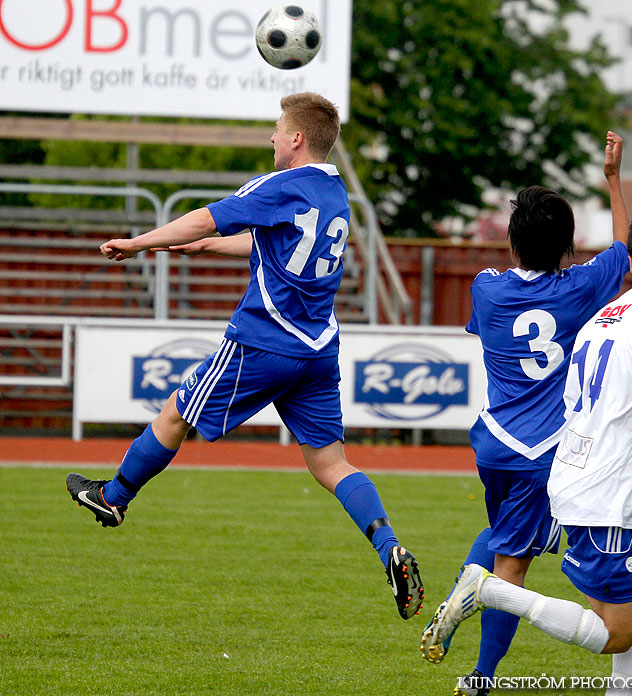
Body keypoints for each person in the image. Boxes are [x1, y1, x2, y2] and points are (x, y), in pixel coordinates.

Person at [65, 92, 424, 621]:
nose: (272, 137)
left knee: (175, 412)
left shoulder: (279, 186)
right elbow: (269, 243)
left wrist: (139, 243)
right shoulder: (335, 194)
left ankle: (114, 497)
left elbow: (205, 218)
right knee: (331, 463)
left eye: (278, 129)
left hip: (264, 341)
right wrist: (205, 248)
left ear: (297, 138)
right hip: (318, 349)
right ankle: (388, 545)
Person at [420, 208, 632, 696]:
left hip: (512, 445)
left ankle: (613, 691)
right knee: (612, 628)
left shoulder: (583, 314)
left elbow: (595, 404)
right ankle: (486, 615)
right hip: (586, 478)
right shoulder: (608, 304)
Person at [420, 133, 632, 693]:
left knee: (501, 535)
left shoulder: (486, 288)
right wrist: (612, 178)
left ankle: (460, 599)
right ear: (568, 247)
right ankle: (481, 677)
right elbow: (629, 254)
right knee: (511, 567)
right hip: (545, 450)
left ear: (512, 244)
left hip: (493, 441)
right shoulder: (582, 287)